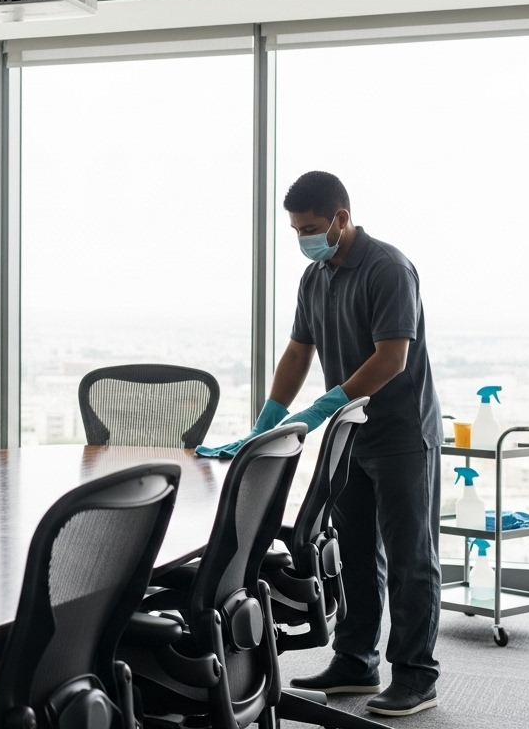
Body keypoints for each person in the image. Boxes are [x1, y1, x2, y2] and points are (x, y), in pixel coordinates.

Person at [198, 171, 442, 717]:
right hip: (351, 437)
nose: (303, 239)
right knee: (355, 553)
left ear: (340, 218)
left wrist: (322, 406)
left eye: (310, 228)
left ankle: (417, 676)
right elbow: (297, 352)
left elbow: (391, 357)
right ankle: (356, 662)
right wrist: (269, 417)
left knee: (411, 559)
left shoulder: (387, 268)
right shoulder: (316, 276)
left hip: (402, 435)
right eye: (296, 231)